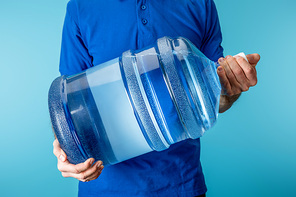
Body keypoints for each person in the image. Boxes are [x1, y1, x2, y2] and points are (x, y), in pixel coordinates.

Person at [52, 0, 260, 196]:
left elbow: (217, 95)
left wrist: (232, 84)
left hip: (181, 185)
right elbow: (68, 103)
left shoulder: (199, 4)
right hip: (105, 188)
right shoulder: (82, 7)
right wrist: (64, 152)